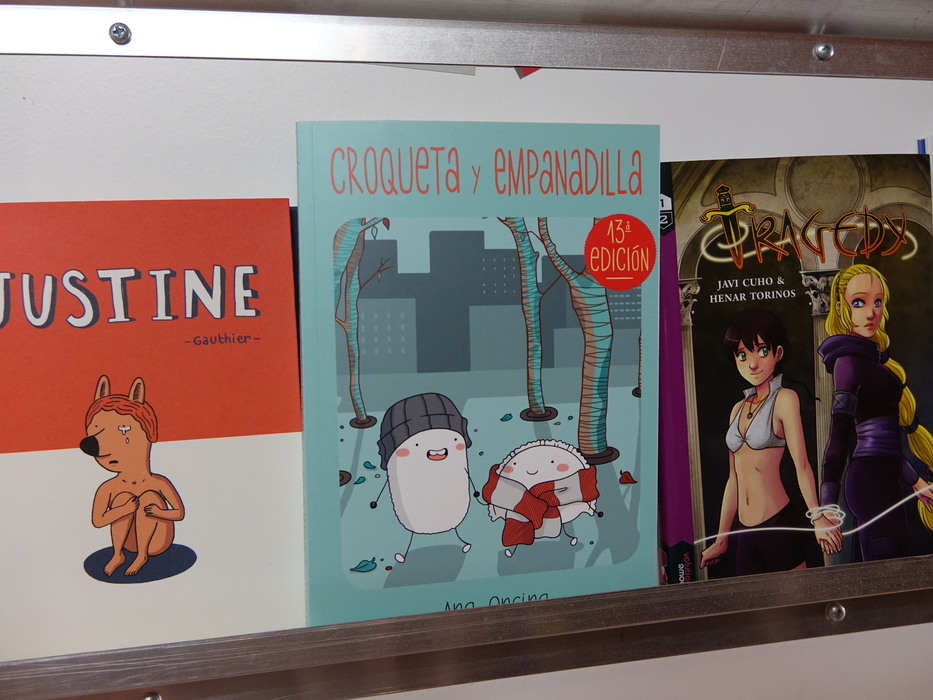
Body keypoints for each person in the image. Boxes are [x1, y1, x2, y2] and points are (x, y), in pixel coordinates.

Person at [700, 308, 841, 574]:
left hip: (778, 524)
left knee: (796, 597)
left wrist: (817, 517)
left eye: (762, 351)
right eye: (742, 355)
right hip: (744, 531)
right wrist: (721, 540)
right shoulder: (737, 409)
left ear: (778, 353)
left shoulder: (785, 399)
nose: (752, 364)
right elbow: (734, 479)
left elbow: (802, 465)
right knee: (751, 600)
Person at [819, 264, 933, 561]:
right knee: (885, 569)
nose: (871, 312)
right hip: (869, 484)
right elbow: (839, 438)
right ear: (841, 307)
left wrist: (916, 482)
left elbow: (886, 444)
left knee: (890, 567)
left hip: (887, 479)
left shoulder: (876, 360)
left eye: (877, 302)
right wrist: (827, 506)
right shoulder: (847, 362)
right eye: (859, 302)